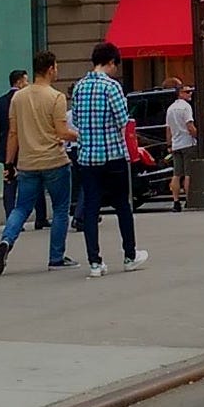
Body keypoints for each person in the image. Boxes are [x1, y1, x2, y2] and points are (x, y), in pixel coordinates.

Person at [0, 49, 77, 274]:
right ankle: (56, 258)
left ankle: (6, 241)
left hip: (27, 163)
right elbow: (61, 131)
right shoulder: (56, 97)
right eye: (56, 67)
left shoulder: (18, 97)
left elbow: (13, 134)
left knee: (20, 208)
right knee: (59, 209)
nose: (57, 71)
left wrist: (9, 164)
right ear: (50, 69)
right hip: (54, 160)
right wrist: (78, 134)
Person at [69, 40, 147, 276]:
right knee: (122, 205)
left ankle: (95, 262)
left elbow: (78, 122)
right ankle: (129, 255)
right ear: (111, 62)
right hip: (112, 155)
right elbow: (124, 122)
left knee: (91, 208)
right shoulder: (112, 87)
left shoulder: (79, 88)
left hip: (87, 157)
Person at [0, 70, 46, 228]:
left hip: (6, 148)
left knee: (9, 184)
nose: (27, 85)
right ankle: (40, 217)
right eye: (26, 81)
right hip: (27, 147)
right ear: (20, 82)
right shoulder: (27, 101)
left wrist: (1, 149)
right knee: (36, 180)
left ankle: (11, 220)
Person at [166, 79, 196, 210]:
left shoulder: (170, 108)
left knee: (176, 174)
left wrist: (169, 145)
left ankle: (176, 201)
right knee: (188, 173)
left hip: (176, 144)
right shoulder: (186, 107)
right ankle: (189, 200)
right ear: (180, 93)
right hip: (187, 142)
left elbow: (168, 129)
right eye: (187, 92)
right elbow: (190, 126)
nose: (190, 94)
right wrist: (197, 135)